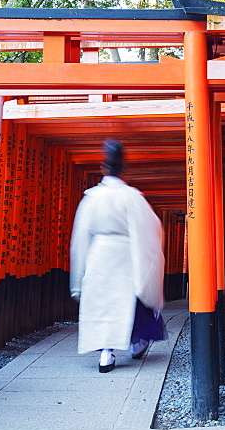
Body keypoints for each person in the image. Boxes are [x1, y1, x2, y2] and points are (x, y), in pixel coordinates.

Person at [70, 139, 166, 372]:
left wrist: (78, 276)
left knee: (102, 304)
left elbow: (80, 237)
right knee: (131, 300)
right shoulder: (131, 196)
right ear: (124, 169)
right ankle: (137, 341)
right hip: (126, 255)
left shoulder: (91, 198)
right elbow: (150, 231)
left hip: (99, 255)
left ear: (103, 168)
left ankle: (106, 353)